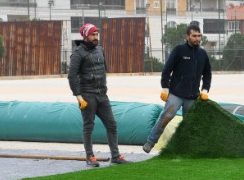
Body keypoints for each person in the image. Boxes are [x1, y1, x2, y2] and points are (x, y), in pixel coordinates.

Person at [143, 23, 212, 153]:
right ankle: (150, 142)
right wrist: (165, 88)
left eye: (199, 36)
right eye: (194, 36)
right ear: (187, 36)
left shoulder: (202, 54)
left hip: (192, 96)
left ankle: (189, 148)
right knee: (166, 117)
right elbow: (167, 69)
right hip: (176, 94)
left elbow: (207, 74)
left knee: (190, 123)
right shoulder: (179, 50)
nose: (197, 39)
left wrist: (205, 90)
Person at [68, 23, 129, 167]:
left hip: (102, 95)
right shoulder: (78, 53)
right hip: (87, 96)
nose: (96, 37)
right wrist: (78, 96)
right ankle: (90, 156)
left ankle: (115, 155)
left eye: (97, 34)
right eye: (92, 35)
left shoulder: (100, 50)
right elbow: (72, 76)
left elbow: (104, 70)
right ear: (85, 36)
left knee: (112, 124)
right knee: (88, 126)